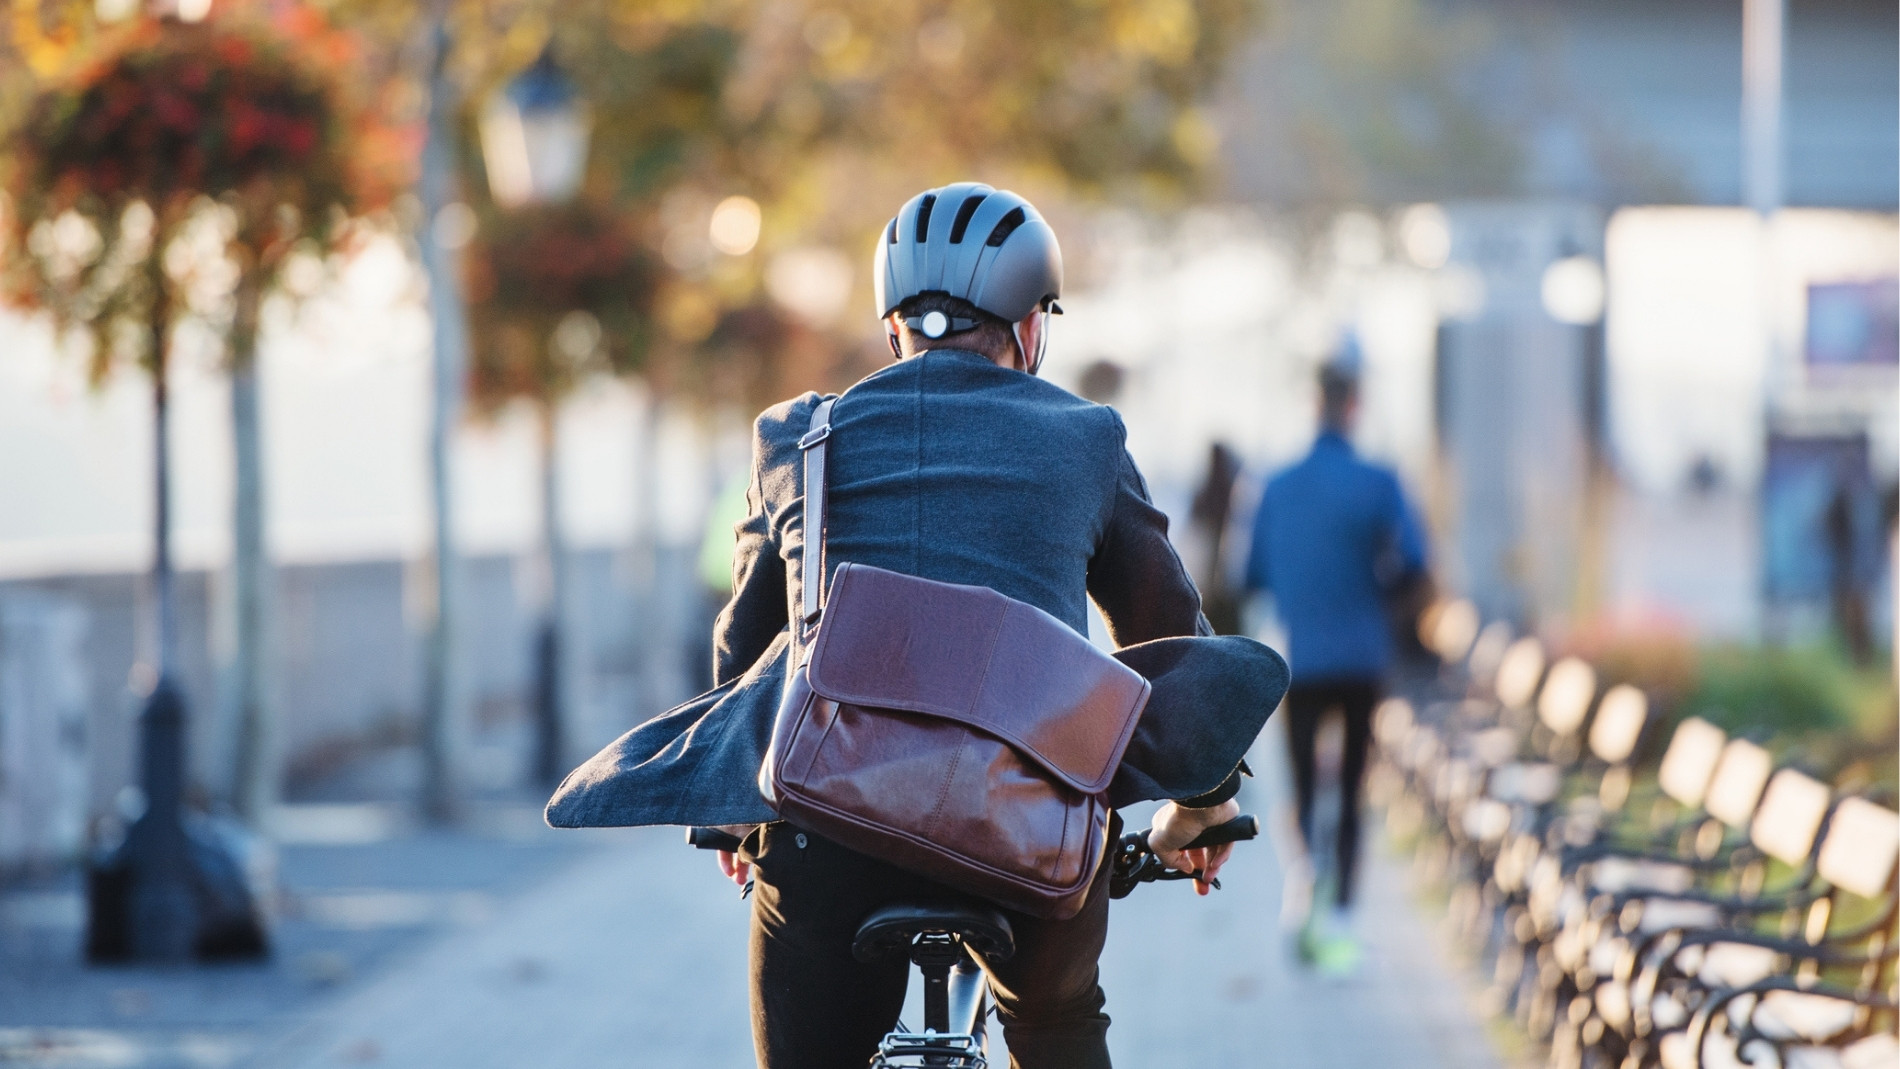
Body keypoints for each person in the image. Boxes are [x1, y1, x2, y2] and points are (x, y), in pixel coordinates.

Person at [545, 182, 1286, 1069]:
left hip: (830, 828)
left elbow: (744, 655)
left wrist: (739, 818)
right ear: (1030, 328)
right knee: (1057, 1020)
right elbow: (1169, 638)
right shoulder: (1085, 438)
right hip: (1032, 822)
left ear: (893, 324)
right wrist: (1200, 808)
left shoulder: (800, 437)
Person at [1243, 342, 1428, 975]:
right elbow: (1415, 566)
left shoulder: (1276, 486)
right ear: (1355, 406)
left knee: (1297, 783)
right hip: (1362, 656)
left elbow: (1253, 575)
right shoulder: (1381, 481)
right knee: (1351, 787)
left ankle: (1302, 889)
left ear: (1313, 403)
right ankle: (1344, 915)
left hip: (1299, 659)